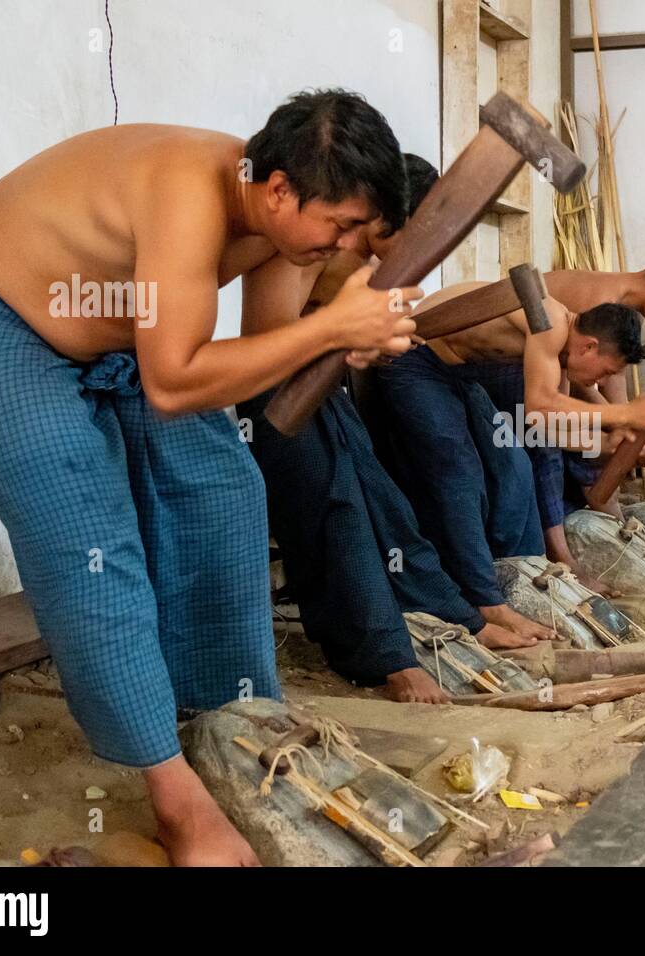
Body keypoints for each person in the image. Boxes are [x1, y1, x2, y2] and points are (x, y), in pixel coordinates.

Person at [0, 88, 421, 865]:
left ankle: (234, 728)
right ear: (280, 189)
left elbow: (266, 353)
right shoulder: (188, 192)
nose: (349, 245)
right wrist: (331, 325)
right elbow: (176, 381)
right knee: (88, 538)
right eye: (344, 226)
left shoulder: (284, 229)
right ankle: (175, 798)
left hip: (122, 338)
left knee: (226, 491)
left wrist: (340, 342)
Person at [237, 154, 547, 707]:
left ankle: (457, 616)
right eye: (405, 233)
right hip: (274, 397)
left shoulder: (361, 254)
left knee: (389, 506)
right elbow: (267, 350)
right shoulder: (308, 244)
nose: (409, 253)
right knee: (343, 512)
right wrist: (349, 336)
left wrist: (363, 341)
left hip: (318, 386)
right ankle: (388, 659)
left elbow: (337, 340)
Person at [376, 290, 645, 609]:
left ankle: (523, 576)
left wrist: (610, 444)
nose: (600, 381)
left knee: (516, 467)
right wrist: (623, 415)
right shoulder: (551, 321)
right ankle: (482, 600)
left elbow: (546, 431)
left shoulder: (561, 355)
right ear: (589, 346)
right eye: (607, 371)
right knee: (461, 475)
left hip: (460, 374)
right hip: (413, 361)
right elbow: (540, 407)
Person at [465, 245, 645, 587]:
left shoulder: (621, 313)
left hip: (547, 367)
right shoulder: (599, 300)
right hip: (497, 363)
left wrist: (626, 424)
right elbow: (574, 380)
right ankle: (561, 553)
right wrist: (617, 420)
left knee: (597, 436)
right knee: (548, 442)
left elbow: (603, 379)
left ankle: (605, 508)